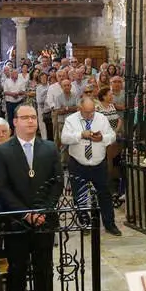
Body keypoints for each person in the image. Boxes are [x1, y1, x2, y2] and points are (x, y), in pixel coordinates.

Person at [0, 103, 64, 291]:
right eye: (25, 118)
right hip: (18, 221)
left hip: (44, 220)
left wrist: (43, 211)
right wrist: (26, 213)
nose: (31, 121)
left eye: (33, 117)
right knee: (17, 267)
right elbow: (2, 187)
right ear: (15, 122)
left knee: (44, 266)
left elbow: (58, 182)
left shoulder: (49, 147)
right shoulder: (4, 151)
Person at [61, 97, 120, 235]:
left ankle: (109, 224)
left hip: (99, 164)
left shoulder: (101, 118)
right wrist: (80, 135)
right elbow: (64, 138)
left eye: (92, 111)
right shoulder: (71, 120)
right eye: (87, 112)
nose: (90, 115)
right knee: (79, 195)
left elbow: (112, 136)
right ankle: (85, 223)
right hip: (78, 164)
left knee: (105, 194)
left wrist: (102, 138)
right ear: (79, 109)